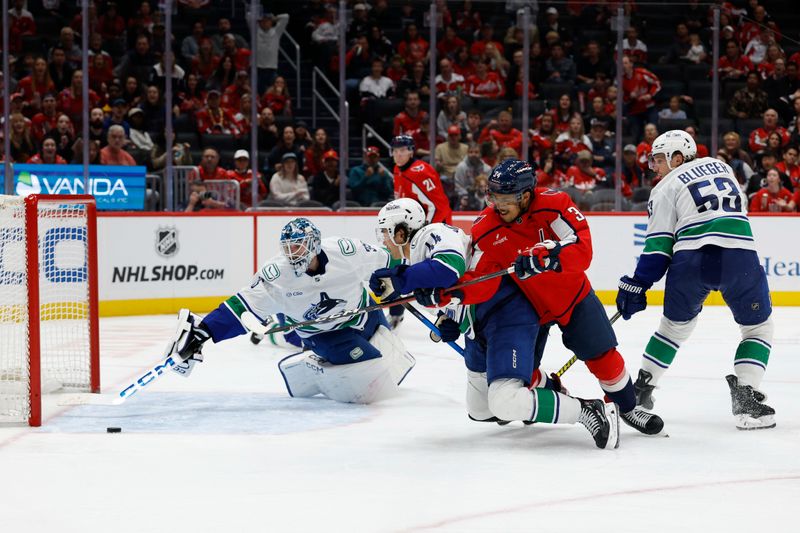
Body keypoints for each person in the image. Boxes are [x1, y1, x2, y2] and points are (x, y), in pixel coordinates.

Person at [415, 159, 664, 438]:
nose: (499, 204)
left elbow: (583, 248)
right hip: (528, 309)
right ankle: (555, 394)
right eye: (494, 196)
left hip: (571, 297)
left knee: (602, 356)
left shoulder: (554, 203)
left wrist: (552, 256)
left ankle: (627, 407)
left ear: (525, 194)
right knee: (519, 374)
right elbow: (480, 282)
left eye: (506, 197)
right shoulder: (486, 228)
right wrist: (446, 296)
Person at [616, 130, 776, 430]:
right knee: (758, 327)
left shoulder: (665, 187)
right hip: (738, 254)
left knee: (673, 329)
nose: (655, 167)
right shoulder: (723, 166)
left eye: (660, 159)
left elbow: (659, 249)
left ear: (678, 157)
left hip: (690, 259)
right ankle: (746, 395)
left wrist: (638, 283)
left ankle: (641, 389)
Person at [166, 218, 415, 404]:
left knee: (396, 363)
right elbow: (240, 307)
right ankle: (307, 359)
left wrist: (416, 280)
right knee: (370, 378)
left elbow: (388, 261)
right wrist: (204, 332)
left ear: (315, 244)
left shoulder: (346, 250)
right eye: (288, 248)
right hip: (324, 335)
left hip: (365, 313)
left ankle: (287, 335)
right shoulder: (277, 275)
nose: (291, 254)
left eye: (298, 246)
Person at [391, 135, 452, 224]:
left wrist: (427, 229)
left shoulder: (421, 172)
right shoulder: (397, 169)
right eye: (395, 151)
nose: (398, 155)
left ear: (411, 152)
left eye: (402, 150)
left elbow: (438, 206)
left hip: (438, 223)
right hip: (413, 223)